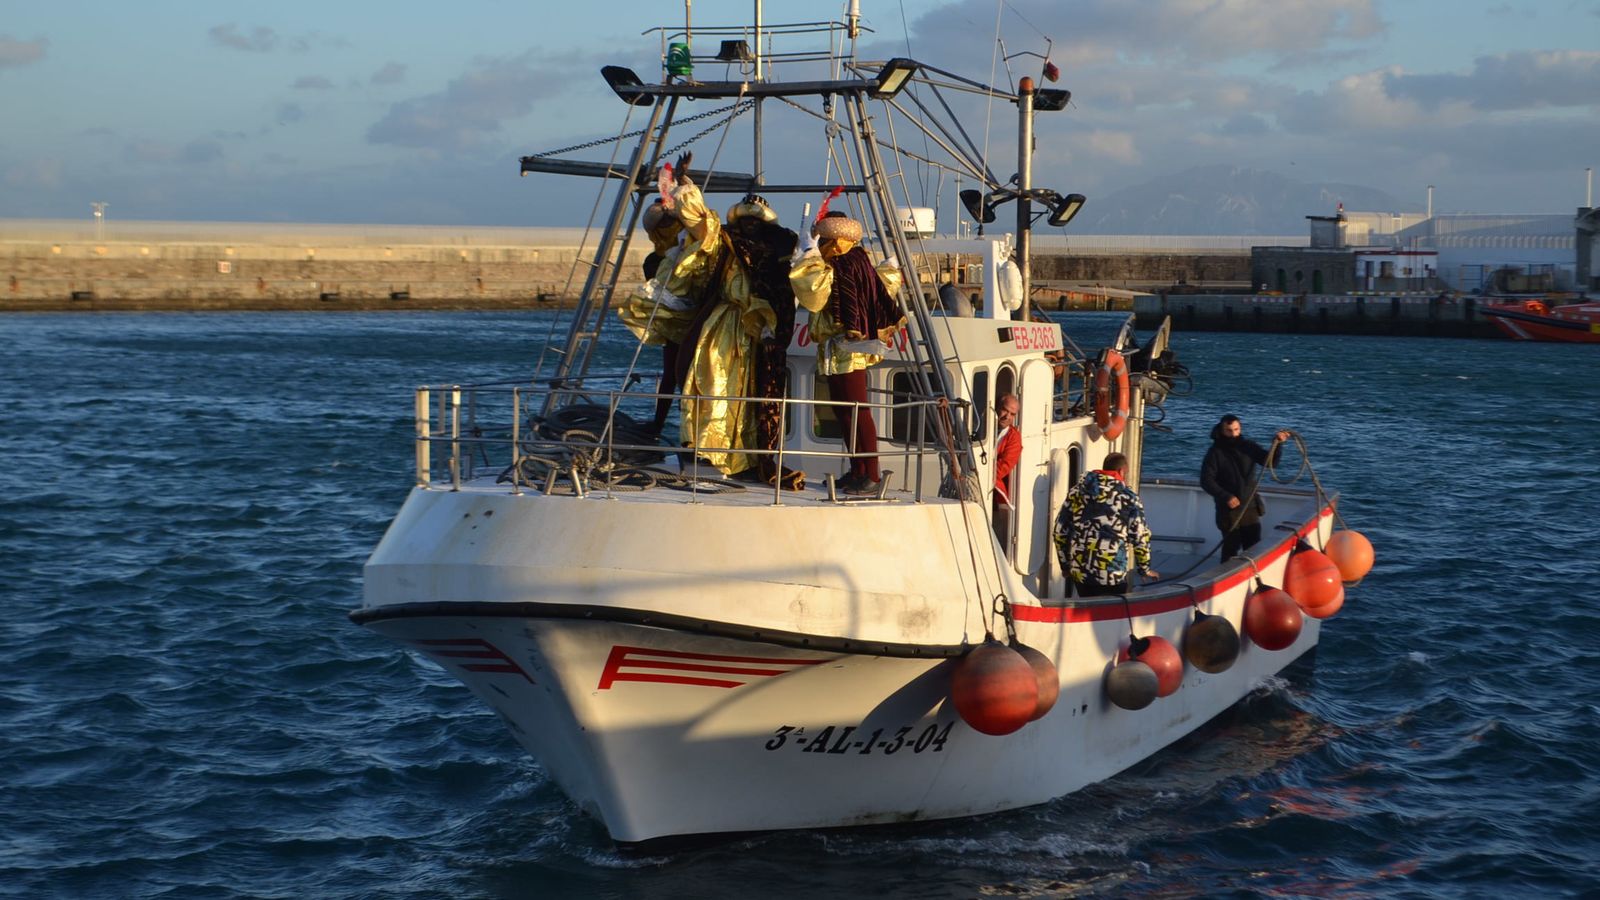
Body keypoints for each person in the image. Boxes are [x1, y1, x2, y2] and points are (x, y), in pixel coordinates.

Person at [790, 210, 905, 495]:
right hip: (836, 348)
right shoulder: (852, 261)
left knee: (857, 411)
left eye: (823, 238)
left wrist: (808, 253)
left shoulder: (845, 264)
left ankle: (872, 475)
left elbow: (817, 292)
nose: (821, 242)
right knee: (844, 411)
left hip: (850, 348)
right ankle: (857, 470)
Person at [1055, 452, 1158, 596]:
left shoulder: (1076, 492)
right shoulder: (1128, 498)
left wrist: (1065, 566)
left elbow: (1060, 531)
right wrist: (1144, 569)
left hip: (1080, 571)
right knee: (1108, 613)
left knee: (1086, 607)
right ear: (1121, 472)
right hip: (1111, 574)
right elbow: (1140, 537)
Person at [1200, 414, 1292, 561]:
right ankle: (1225, 579)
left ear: (1240, 428)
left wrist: (1278, 444)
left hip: (1250, 505)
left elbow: (1270, 463)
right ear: (1221, 430)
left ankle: (1253, 580)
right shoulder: (1215, 452)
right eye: (1229, 431)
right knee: (1231, 547)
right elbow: (1206, 481)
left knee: (1253, 546)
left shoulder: (1248, 446)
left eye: (1236, 430)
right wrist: (1226, 496)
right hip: (1228, 510)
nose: (1233, 434)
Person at [992, 393, 1021, 547]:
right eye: (1005, 411)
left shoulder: (1014, 438)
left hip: (997, 499)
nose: (1007, 416)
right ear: (997, 408)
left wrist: (980, 472)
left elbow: (1004, 467)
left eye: (1012, 414)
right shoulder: (982, 426)